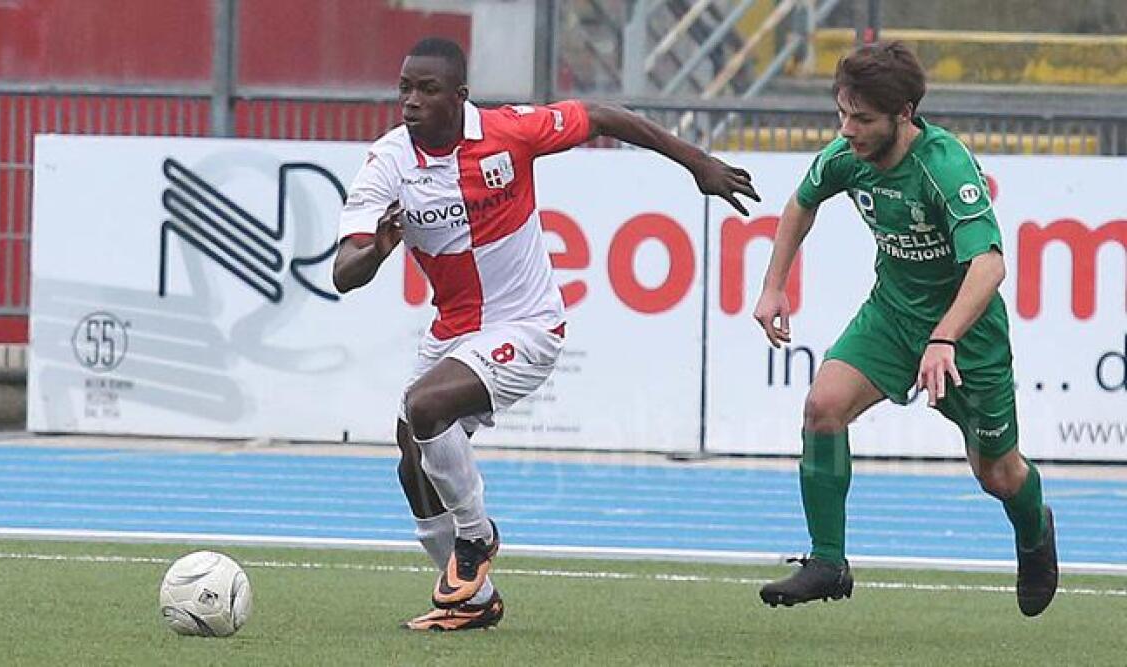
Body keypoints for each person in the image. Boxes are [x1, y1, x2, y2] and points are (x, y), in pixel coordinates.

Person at [333, 37, 760, 631]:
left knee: (424, 406)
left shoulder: (510, 132)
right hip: (453, 330)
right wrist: (376, 252)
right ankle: (473, 602)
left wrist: (697, 163)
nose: (411, 101)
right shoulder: (387, 163)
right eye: (405, 88)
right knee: (412, 461)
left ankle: (476, 538)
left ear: (459, 97)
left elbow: (603, 116)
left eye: (427, 90)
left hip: (528, 324)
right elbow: (344, 272)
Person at [751, 42, 1057, 616]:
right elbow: (800, 204)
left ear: (905, 115)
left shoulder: (944, 167)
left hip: (968, 336)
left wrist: (944, 338)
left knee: (998, 474)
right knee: (823, 407)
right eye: (842, 113)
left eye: (862, 119)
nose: (847, 130)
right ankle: (828, 562)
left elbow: (990, 265)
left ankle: (1034, 531)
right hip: (891, 316)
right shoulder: (846, 155)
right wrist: (773, 286)